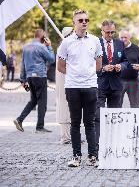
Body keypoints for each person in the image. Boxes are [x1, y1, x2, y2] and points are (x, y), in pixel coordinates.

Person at [57, 9, 103, 167]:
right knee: (75, 123)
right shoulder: (66, 42)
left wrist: (87, 74)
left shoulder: (95, 41)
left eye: (86, 20)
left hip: (91, 87)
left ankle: (93, 156)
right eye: (81, 20)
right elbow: (60, 66)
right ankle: (76, 157)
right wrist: (74, 74)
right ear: (74, 23)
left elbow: (99, 64)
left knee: (90, 122)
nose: (84, 22)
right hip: (73, 87)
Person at [13, 29, 55, 133]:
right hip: (40, 76)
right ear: (42, 37)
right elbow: (52, 59)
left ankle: (19, 119)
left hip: (29, 77)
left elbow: (23, 64)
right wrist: (49, 46)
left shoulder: (26, 47)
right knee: (42, 102)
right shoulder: (41, 47)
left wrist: (22, 79)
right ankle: (40, 127)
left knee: (33, 101)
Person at [56, 27, 73, 144]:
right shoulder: (63, 48)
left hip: (72, 81)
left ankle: (73, 135)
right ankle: (65, 137)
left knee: (74, 108)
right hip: (64, 81)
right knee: (64, 108)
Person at [119, 29, 139, 108]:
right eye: (121, 37)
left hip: (133, 81)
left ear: (129, 37)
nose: (123, 39)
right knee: (117, 105)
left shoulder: (136, 48)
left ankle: (137, 120)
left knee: (135, 105)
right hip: (119, 81)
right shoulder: (116, 48)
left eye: (125, 37)